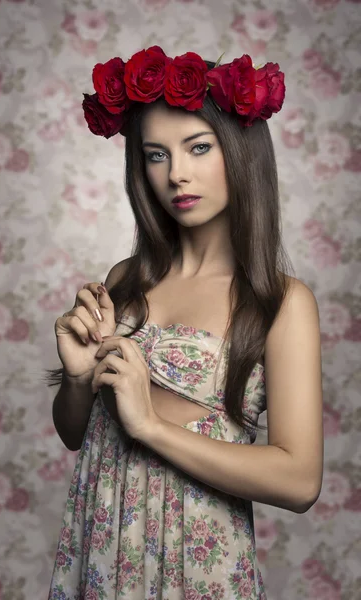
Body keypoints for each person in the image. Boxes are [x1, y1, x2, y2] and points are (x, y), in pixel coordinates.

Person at [45, 47, 324, 599]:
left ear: (241, 153)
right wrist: (78, 379)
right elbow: (78, 435)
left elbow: (300, 481)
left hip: (198, 560)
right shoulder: (126, 278)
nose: (177, 174)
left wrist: (150, 426)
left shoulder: (279, 302)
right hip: (102, 540)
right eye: (156, 155)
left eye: (198, 147)